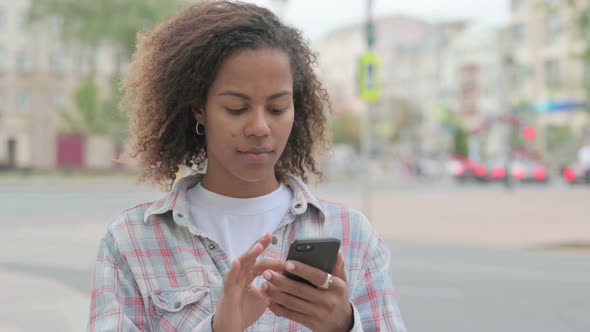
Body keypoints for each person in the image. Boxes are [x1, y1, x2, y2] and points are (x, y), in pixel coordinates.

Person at [87, 1, 406, 331]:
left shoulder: (352, 234)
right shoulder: (132, 241)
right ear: (199, 109)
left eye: (277, 108)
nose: (260, 127)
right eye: (237, 108)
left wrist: (344, 325)